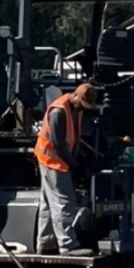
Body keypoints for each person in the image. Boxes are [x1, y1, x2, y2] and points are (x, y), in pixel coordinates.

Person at [34, 83, 99, 256]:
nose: (83, 109)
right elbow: (58, 143)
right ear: (76, 96)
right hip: (53, 160)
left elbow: (73, 137)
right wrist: (73, 164)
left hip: (57, 160)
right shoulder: (59, 111)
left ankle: (46, 244)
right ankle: (67, 245)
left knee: (48, 204)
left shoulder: (75, 109)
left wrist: (81, 157)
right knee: (63, 202)